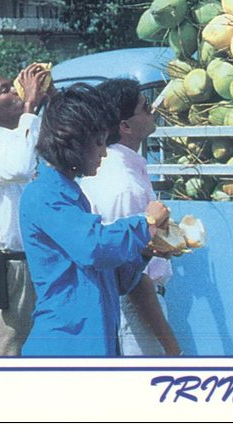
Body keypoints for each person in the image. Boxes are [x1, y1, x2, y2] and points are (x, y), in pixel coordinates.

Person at [18, 83, 171, 357]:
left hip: (93, 346)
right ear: (72, 141)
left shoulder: (73, 194)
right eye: (99, 143)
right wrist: (144, 223)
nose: (103, 152)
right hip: (64, 347)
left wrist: (145, 251)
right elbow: (93, 248)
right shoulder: (43, 195)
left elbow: (114, 278)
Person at [81, 78, 181, 357]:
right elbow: (135, 279)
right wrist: (173, 349)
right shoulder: (124, 185)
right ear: (125, 126)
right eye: (146, 107)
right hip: (135, 312)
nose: (153, 112)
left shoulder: (120, 169)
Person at [0, 63, 52, 356]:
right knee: (9, 351)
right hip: (14, 266)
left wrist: (47, 100)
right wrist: (29, 104)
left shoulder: (25, 135)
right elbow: (19, 166)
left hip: (43, 259)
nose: (15, 90)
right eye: (5, 91)